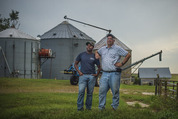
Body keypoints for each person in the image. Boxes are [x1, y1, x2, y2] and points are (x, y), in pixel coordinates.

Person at [95, 34, 131, 110]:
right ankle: (101, 108)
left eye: (111, 39)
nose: (109, 40)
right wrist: (97, 55)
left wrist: (121, 63)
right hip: (104, 73)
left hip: (114, 73)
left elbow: (128, 55)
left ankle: (114, 108)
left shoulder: (117, 48)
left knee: (115, 91)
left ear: (114, 40)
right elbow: (97, 52)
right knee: (102, 91)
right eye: (108, 39)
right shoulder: (103, 49)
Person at [75, 42, 101, 111]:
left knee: (89, 93)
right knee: (81, 91)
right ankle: (80, 108)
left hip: (91, 77)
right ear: (86, 46)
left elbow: (99, 67)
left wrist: (96, 74)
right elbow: (75, 64)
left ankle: (88, 108)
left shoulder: (94, 56)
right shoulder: (81, 55)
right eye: (88, 45)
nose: (89, 46)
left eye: (91, 46)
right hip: (83, 76)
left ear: (93, 47)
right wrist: (79, 72)